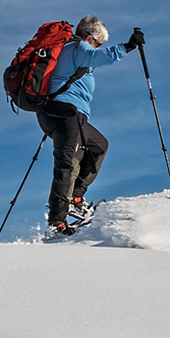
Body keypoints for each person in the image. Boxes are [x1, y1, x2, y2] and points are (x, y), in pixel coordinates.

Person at [39, 15, 142, 234]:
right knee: (67, 161)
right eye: (98, 43)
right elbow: (99, 57)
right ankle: (57, 222)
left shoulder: (73, 50)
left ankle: (75, 198)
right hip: (64, 112)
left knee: (98, 146)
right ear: (89, 37)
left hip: (68, 114)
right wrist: (128, 47)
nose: (98, 47)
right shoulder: (78, 47)